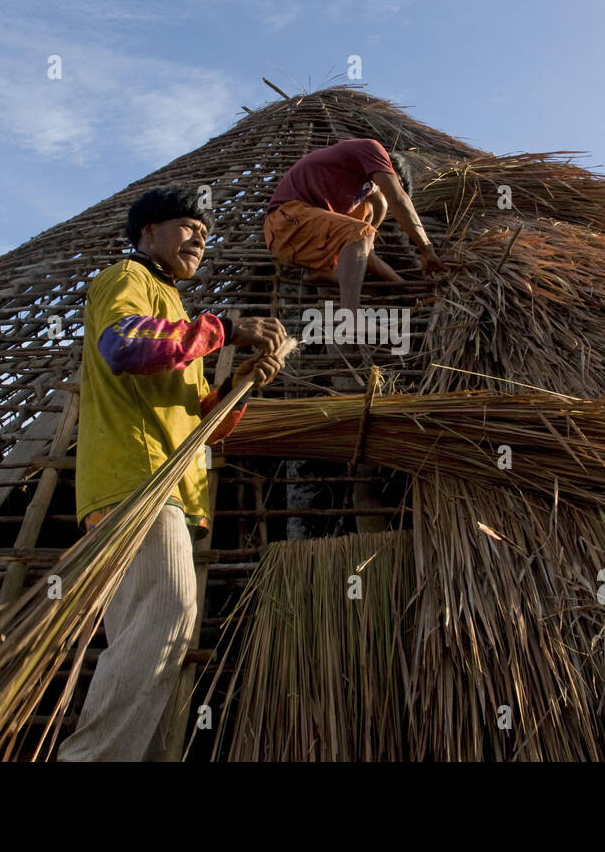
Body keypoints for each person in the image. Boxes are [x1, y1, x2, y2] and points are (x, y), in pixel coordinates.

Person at [58, 185, 285, 762]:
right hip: (137, 481)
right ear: (147, 233)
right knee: (169, 615)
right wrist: (228, 330)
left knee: (146, 632)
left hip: (166, 486)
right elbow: (126, 347)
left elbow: (204, 422)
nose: (199, 242)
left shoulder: (175, 310)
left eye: (206, 238)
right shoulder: (127, 279)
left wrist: (243, 386)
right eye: (187, 228)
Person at [263, 138, 446, 315]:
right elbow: (397, 199)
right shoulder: (372, 148)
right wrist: (427, 249)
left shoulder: (359, 199)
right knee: (362, 232)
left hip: (300, 236)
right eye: (392, 183)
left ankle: (325, 272)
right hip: (286, 221)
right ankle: (350, 316)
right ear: (391, 170)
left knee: (361, 244)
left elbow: (366, 255)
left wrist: (405, 287)